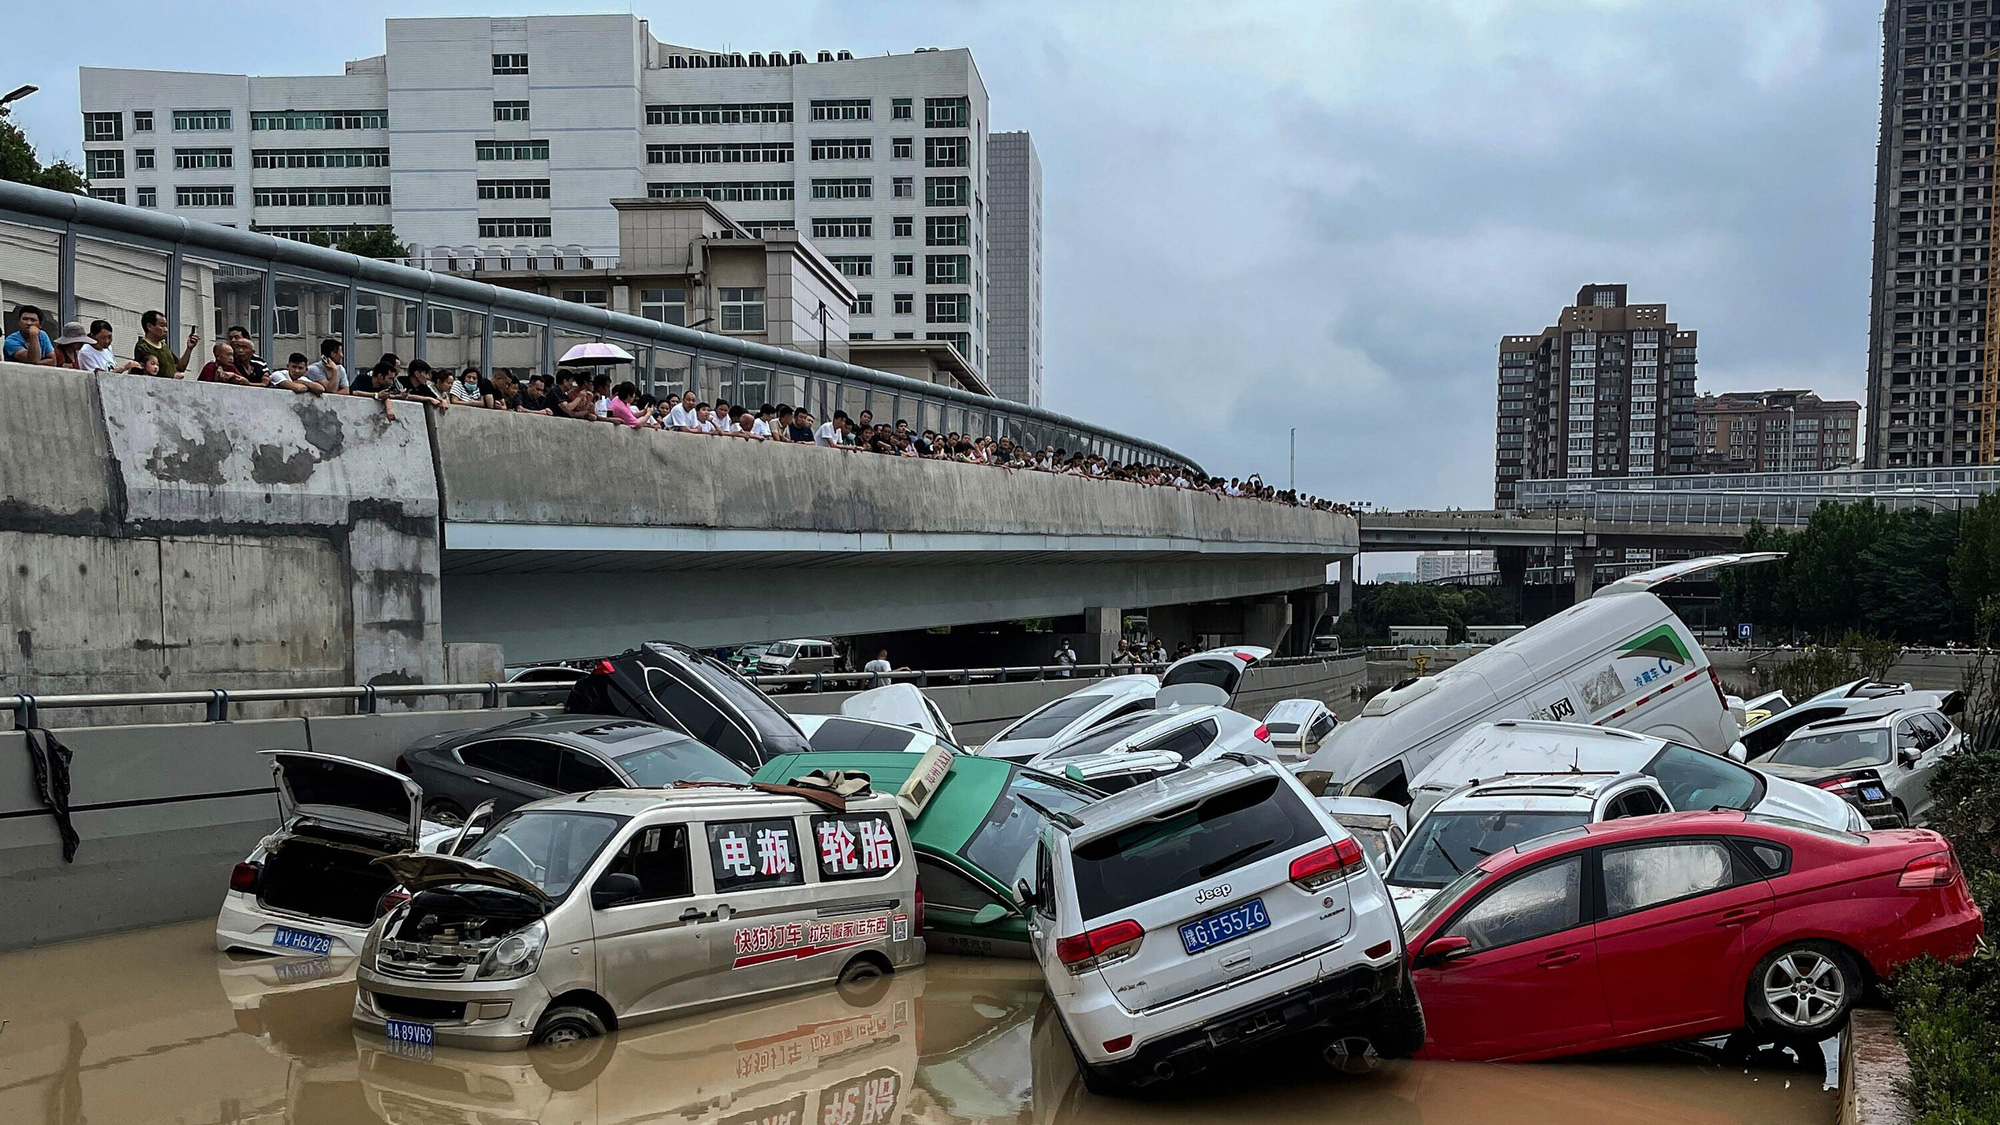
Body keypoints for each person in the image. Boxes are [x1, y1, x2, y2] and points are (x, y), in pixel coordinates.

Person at [131, 310, 196, 379]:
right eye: (162, 326)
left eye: (166, 326)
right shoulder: (143, 347)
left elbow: (179, 367)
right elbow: (148, 373)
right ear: (149, 326)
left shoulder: (164, 346)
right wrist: (171, 376)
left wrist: (189, 348)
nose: (166, 330)